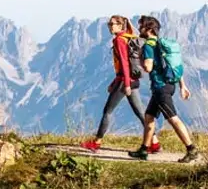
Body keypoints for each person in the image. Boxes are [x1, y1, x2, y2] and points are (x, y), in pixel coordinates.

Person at [81, 15, 160, 153]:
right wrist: (115, 82)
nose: (110, 26)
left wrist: (126, 84)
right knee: (141, 113)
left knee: (107, 111)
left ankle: (97, 142)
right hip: (132, 80)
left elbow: (124, 62)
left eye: (113, 24)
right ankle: (154, 142)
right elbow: (131, 35)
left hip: (126, 81)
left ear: (120, 26)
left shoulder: (119, 40)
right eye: (109, 24)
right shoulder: (128, 36)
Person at [129, 16, 199, 163]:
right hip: (168, 85)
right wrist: (182, 85)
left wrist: (140, 58)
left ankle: (191, 149)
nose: (139, 28)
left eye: (141, 26)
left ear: (148, 29)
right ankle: (143, 150)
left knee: (173, 119)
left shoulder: (148, 45)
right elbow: (172, 65)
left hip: (161, 88)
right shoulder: (161, 44)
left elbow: (147, 68)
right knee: (149, 117)